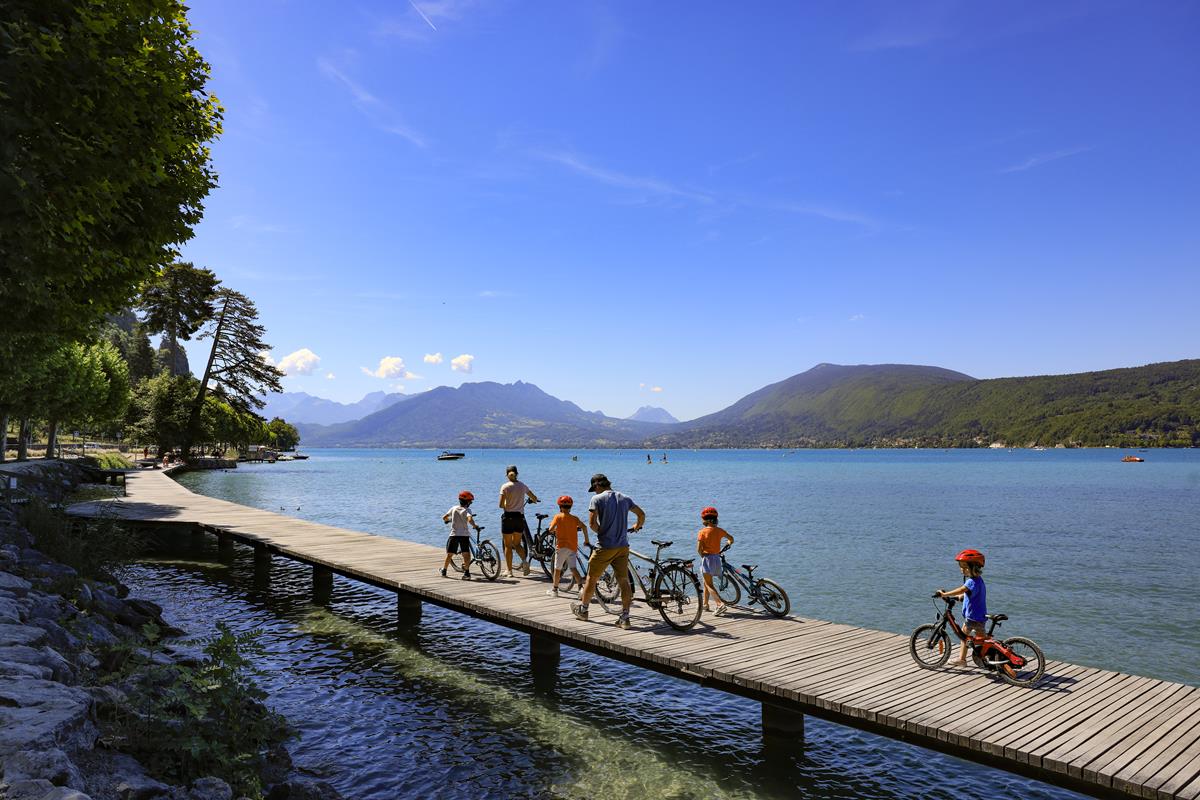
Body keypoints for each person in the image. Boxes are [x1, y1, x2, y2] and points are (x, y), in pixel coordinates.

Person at [571, 474, 645, 629]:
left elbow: (591, 523)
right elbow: (641, 514)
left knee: (592, 578)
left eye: (594, 489)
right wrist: (636, 527)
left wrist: (602, 533)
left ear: (597, 486)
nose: (594, 492)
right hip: (623, 546)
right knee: (623, 580)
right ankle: (625, 617)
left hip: (605, 546)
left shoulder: (597, 499)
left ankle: (583, 610)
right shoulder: (625, 498)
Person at [936, 549, 987, 667]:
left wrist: (945, 594)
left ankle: (962, 659)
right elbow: (969, 594)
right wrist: (960, 597)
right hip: (979, 616)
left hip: (972, 617)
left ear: (972, 568)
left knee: (963, 635)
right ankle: (984, 658)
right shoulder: (978, 581)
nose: (961, 570)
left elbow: (962, 589)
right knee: (980, 640)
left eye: (964, 567)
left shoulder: (971, 582)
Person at [498, 465, 539, 578]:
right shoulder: (522, 486)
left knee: (508, 545)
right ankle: (525, 562)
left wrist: (508, 504)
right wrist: (535, 500)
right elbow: (534, 497)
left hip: (508, 518)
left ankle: (509, 571)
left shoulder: (505, 487)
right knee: (517, 544)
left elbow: (501, 505)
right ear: (517, 474)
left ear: (507, 475)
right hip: (519, 518)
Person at [546, 495, 589, 597]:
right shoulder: (575, 519)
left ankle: (555, 590)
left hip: (561, 547)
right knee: (573, 568)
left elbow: (551, 529)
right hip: (572, 547)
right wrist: (586, 540)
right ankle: (581, 589)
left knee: (557, 569)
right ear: (571, 507)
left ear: (560, 507)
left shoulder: (557, 517)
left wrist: (555, 530)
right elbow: (584, 527)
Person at [697, 506, 734, 615]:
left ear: (705, 520)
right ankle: (705, 604)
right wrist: (728, 543)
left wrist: (702, 555)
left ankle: (719, 604)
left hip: (707, 559)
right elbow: (731, 538)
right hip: (717, 559)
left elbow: (698, 549)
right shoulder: (720, 531)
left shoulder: (702, 532)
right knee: (706, 582)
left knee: (709, 585)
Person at [441, 490, 482, 579]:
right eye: (470, 501)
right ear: (467, 502)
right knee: (466, 554)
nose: (471, 503)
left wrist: (448, 520)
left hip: (454, 535)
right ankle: (467, 573)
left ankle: (444, 570)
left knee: (450, 554)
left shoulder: (454, 508)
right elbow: (470, 519)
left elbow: (444, 517)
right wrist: (474, 526)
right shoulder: (467, 510)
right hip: (464, 535)